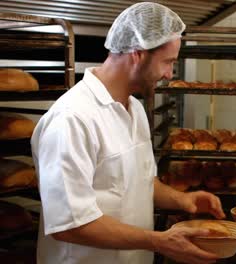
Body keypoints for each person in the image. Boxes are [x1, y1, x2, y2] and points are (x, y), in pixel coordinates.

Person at [31, 3, 224, 264]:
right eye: (167, 62)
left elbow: (141, 180)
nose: (169, 74)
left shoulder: (134, 109)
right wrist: (159, 241)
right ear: (137, 54)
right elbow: (70, 225)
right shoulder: (72, 119)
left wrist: (182, 200)